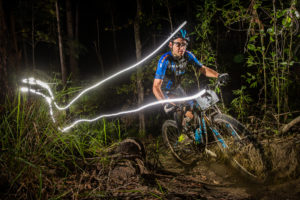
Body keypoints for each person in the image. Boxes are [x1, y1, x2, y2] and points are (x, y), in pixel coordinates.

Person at [152, 29, 228, 128]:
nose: (181, 48)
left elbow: (203, 69)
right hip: (165, 91)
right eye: (178, 44)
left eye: (184, 44)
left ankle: (190, 130)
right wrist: (165, 103)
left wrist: (218, 75)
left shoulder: (188, 55)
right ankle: (181, 135)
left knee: (191, 109)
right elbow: (156, 86)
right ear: (171, 45)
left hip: (177, 88)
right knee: (178, 109)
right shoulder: (165, 59)